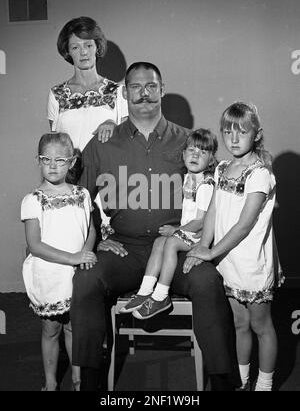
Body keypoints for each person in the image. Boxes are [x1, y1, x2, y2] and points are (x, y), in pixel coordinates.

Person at [71, 62, 240, 391]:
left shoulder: (188, 142)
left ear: (162, 90)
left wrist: (199, 242)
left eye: (151, 86)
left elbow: (218, 192)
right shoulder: (103, 142)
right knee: (87, 277)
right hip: (124, 250)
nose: (144, 93)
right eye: (136, 86)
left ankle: (223, 381)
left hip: (174, 250)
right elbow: (77, 197)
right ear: (125, 92)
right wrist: (94, 241)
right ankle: (90, 381)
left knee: (207, 280)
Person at [184, 102, 284, 391]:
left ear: (256, 134)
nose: (234, 138)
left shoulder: (259, 173)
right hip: (227, 261)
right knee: (239, 325)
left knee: (261, 327)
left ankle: (264, 384)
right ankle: (241, 381)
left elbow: (244, 224)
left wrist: (211, 252)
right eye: (227, 131)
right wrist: (203, 246)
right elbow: (214, 210)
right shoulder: (223, 168)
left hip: (252, 263)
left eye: (242, 131)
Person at [21, 132, 97, 391]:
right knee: (51, 329)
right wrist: (73, 257)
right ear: (38, 161)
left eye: (60, 160)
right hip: (50, 273)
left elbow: (91, 230)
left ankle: (77, 381)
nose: (53, 166)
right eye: (46, 159)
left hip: (77, 274)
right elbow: (35, 245)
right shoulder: (33, 200)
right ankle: (51, 382)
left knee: (75, 329)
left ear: (72, 162)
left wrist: (86, 252)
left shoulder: (82, 194)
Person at [119, 128, 218, 319]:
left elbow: (200, 222)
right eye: (191, 150)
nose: (195, 155)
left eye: (203, 152)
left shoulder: (206, 184)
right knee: (158, 242)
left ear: (212, 160)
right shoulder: (189, 178)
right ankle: (144, 292)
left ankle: (161, 296)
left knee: (171, 241)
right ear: (183, 154)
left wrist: (176, 230)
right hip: (188, 233)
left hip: (200, 237)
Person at [47, 16, 128, 181]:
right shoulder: (56, 94)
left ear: (97, 47)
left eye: (88, 45)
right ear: (68, 51)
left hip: (107, 179)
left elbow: (128, 140)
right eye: (75, 47)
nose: (83, 52)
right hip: (69, 180)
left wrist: (113, 125)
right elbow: (54, 146)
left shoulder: (118, 91)